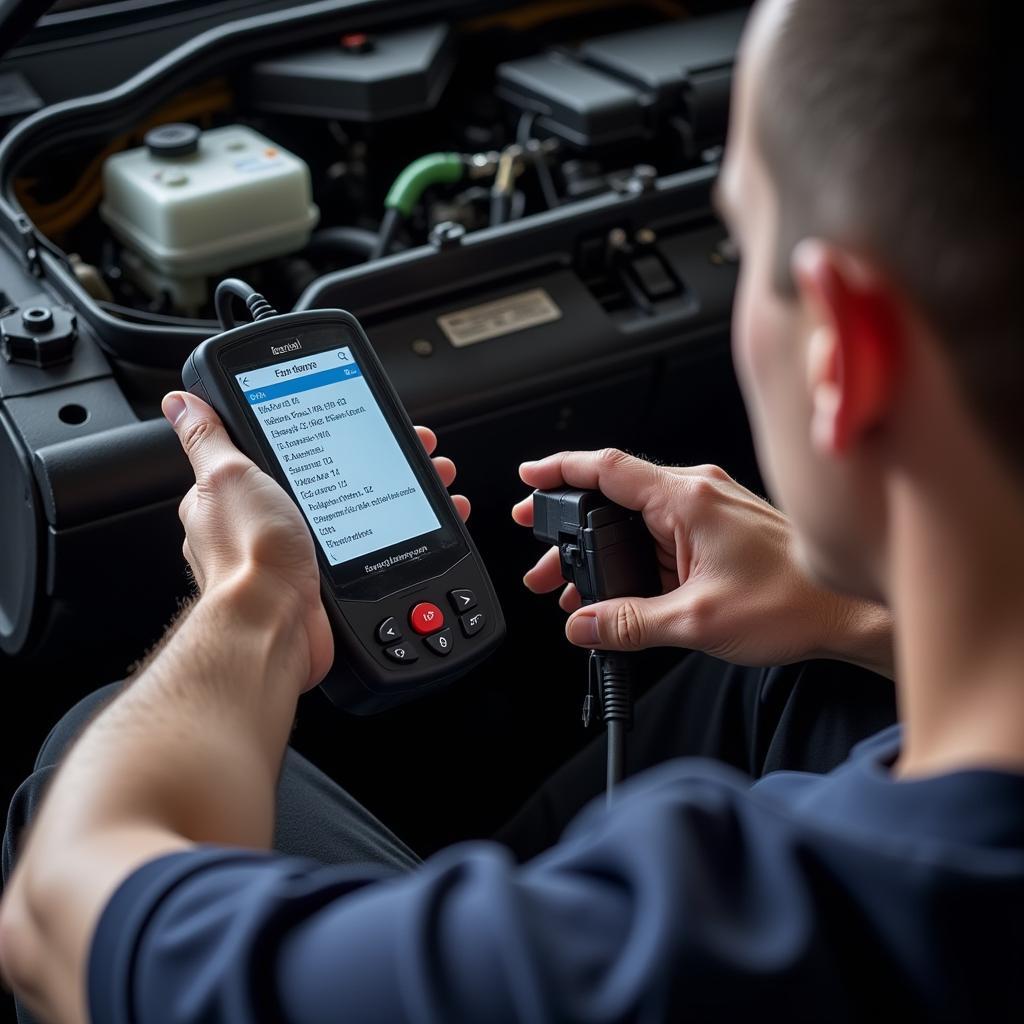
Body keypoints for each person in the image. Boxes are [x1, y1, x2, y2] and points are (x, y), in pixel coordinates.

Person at [4, 0, 1024, 1019]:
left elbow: (62, 912)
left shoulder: (642, 954)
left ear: (843, 352)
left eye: (745, 244)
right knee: (801, 681)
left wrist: (252, 599)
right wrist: (853, 608)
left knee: (86, 742)